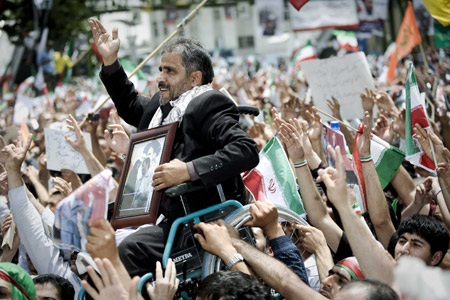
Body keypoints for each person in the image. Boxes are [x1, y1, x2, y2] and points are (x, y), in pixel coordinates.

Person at [89, 18, 259, 277]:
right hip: (154, 213)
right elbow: (129, 103)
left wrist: (188, 170)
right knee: (93, 242)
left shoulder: (208, 103)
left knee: (129, 251)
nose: (160, 78)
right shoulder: (160, 106)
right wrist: (110, 61)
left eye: (170, 71)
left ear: (194, 78)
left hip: (199, 218)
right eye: (160, 70)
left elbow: (246, 150)